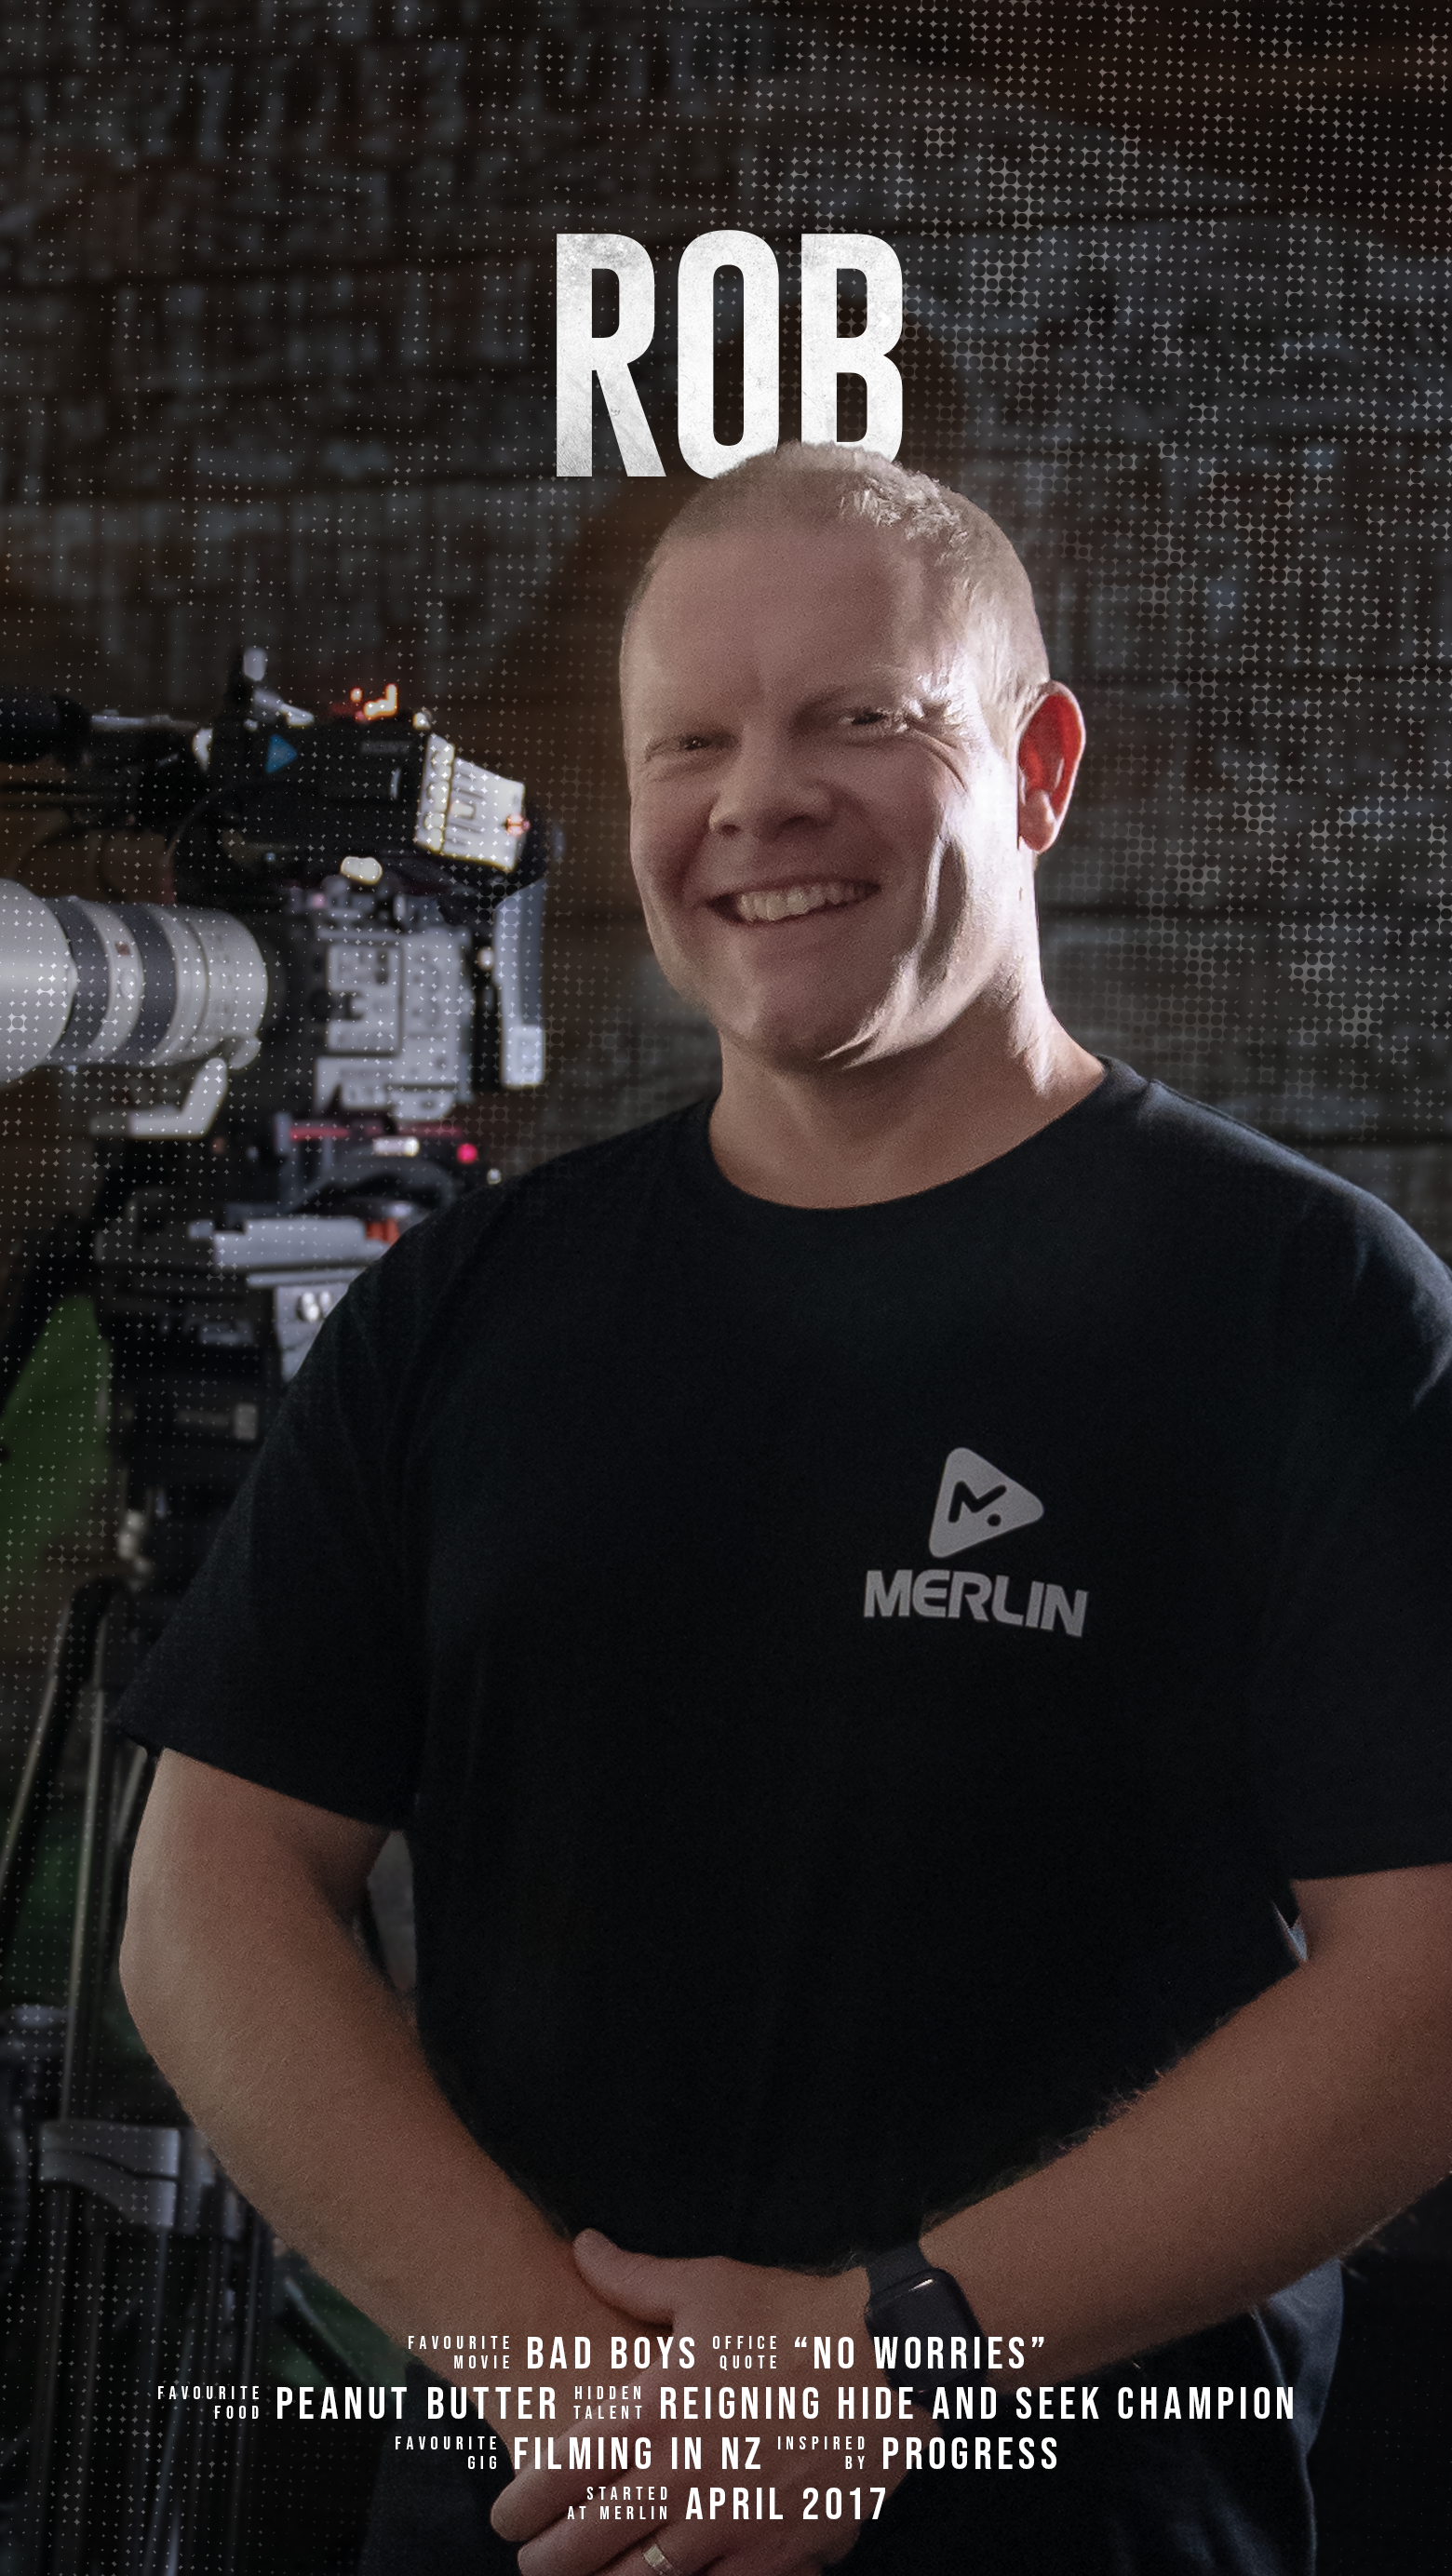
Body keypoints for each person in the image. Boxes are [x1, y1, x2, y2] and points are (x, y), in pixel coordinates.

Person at [118, 444, 1452, 2576]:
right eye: (693, 742)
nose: (759, 801)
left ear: (1038, 767)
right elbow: (210, 1895)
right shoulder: (474, 1301)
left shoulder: (1307, 1306)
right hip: (542, 2514)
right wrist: (578, 2384)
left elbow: (1430, 1982)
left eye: (863, 718)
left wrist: (888, 2366)